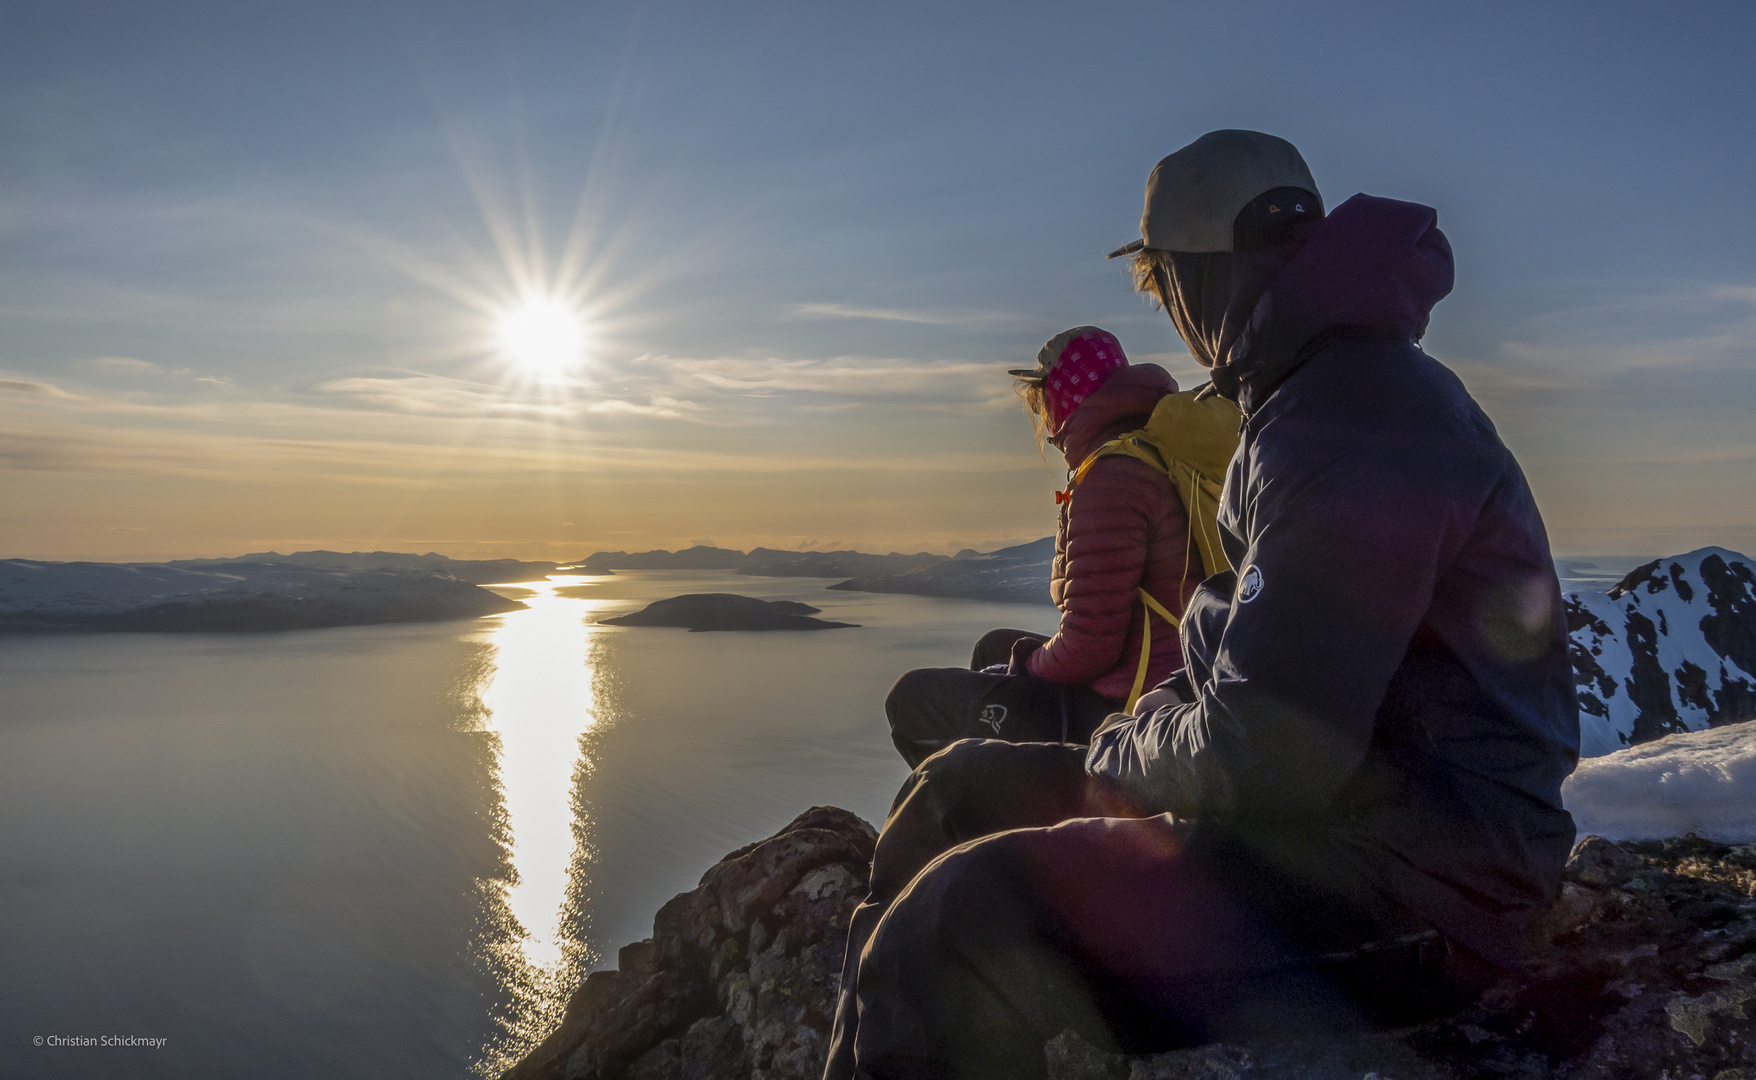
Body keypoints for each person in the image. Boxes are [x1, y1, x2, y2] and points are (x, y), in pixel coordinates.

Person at [823, 129, 1580, 1080]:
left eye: (1160, 284)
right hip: (1330, 824)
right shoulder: (1312, 402)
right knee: (956, 791)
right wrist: (1131, 749)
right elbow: (1240, 671)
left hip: (1425, 893)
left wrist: (1115, 752)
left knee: (957, 922)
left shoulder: (1354, 419)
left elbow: (1269, 750)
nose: (1169, 313)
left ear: (1196, 276)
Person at [883, 327, 1207, 767]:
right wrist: (1018, 660)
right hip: (1166, 671)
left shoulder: (1111, 479)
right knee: (994, 646)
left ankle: (987, 807)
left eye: (1042, 401)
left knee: (912, 699)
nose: (1043, 419)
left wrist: (1023, 666)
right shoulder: (1153, 452)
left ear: (1063, 397)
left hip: (1128, 707)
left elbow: (1089, 647)